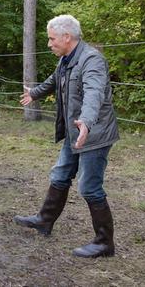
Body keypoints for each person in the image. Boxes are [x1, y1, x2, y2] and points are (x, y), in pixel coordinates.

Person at [14, 14, 119, 258]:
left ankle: (104, 243)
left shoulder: (91, 60)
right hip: (75, 132)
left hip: (93, 134)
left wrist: (87, 122)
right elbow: (54, 80)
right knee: (60, 173)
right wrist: (35, 93)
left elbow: (94, 93)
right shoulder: (66, 59)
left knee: (90, 187)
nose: (49, 44)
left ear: (67, 37)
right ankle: (44, 220)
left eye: (52, 39)